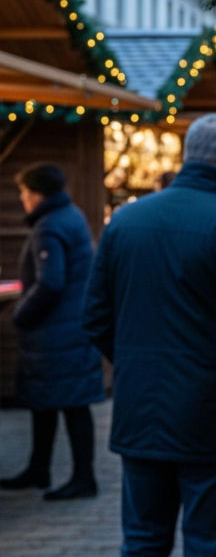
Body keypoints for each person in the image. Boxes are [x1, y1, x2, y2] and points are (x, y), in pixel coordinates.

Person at [83, 114, 216, 557]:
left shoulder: (125, 222)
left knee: (143, 540)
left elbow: (96, 316)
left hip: (142, 408)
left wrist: (136, 363)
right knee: (209, 544)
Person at [1, 164, 104, 500]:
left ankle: (82, 477)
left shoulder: (50, 226)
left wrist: (21, 313)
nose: (22, 199)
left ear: (36, 194)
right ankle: (40, 468)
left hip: (56, 332)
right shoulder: (70, 215)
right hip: (71, 327)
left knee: (71, 405)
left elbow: (51, 282)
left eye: (24, 192)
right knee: (50, 401)